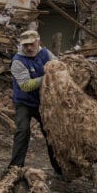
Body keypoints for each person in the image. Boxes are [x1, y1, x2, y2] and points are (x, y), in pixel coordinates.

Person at [9, 29, 65, 180]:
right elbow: (26, 85)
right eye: (25, 45)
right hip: (24, 102)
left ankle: (60, 170)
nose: (28, 48)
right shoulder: (18, 61)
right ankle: (14, 170)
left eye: (31, 44)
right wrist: (47, 77)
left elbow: (58, 67)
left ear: (38, 41)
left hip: (42, 102)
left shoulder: (46, 54)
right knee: (22, 131)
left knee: (51, 133)